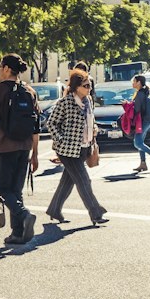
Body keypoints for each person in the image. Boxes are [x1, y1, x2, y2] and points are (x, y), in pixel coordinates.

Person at [0, 54, 40, 246]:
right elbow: (36, 126)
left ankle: (24, 215)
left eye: (0, 67)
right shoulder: (29, 91)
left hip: (5, 147)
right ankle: (18, 233)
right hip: (24, 147)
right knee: (16, 190)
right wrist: (35, 154)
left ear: (7, 68)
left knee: (2, 189)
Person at [45, 69, 108, 227]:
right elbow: (51, 123)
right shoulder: (65, 102)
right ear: (76, 87)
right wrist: (60, 140)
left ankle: (54, 209)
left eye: (90, 85)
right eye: (86, 86)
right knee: (84, 180)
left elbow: (89, 121)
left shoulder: (88, 101)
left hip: (84, 148)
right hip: (67, 150)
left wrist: (94, 129)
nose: (89, 88)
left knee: (68, 181)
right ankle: (96, 212)